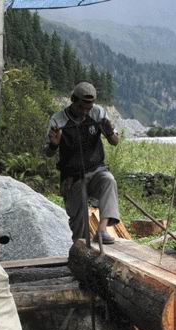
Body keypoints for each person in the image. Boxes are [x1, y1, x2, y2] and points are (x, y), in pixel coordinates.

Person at [45, 82, 120, 245]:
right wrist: (54, 145)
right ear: (73, 100)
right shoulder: (58, 120)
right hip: (72, 177)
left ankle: (101, 231)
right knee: (79, 224)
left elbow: (115, 141)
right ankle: (80, 250)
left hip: (96, 170)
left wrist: (109, 133)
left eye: (88, 108)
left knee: (109, 180)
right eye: (81, 107)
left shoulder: (98, 113)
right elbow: (48, 153)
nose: (85, 111)